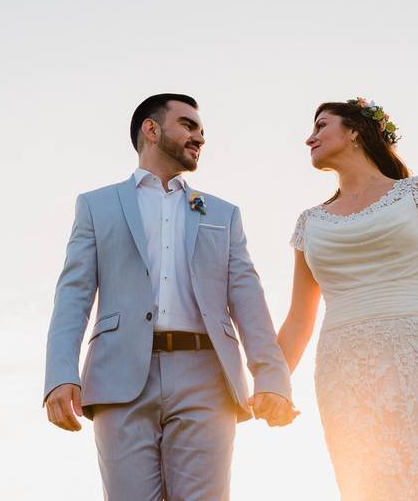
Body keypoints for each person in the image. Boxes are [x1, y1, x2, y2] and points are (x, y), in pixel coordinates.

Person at [44, 93, 297, 500]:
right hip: (118, 376)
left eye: (201, 130)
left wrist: (271, 376)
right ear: (151, 129)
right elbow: (73, 294)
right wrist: (60, 374)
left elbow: (248, 299)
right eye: (188, 125)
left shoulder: (222, 213)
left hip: (207, 377)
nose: (199, 137)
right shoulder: (96, 205)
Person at [278, 98, 418, 499]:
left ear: (354, 131)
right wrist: (271, 383)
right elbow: (299, 318)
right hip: (344, 368)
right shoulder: (309, 223)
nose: (309, 138)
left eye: (321, 126)